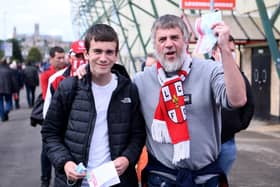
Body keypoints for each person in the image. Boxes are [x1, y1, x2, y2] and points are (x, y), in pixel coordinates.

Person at [133, 14, 247, 186]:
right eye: (162, 39)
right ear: (155, 45)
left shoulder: (209, 71)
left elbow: (238, 100)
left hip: (204, 179)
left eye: (174, 37)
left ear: (186, 41)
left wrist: (225, 50)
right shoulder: (140, 81)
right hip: (161, 177)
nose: (169, 43)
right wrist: (88, 72)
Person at [41, 24, 146, 187]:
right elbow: (50, 133)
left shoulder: (128, 90)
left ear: (116, 55)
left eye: (109, 52)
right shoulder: (69, 88)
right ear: (86, 54)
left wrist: (127, 158)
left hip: (117, 180)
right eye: (97, 51)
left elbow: (138, 134)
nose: (103, 58)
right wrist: (65, 163)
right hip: (77, 181)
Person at [211, 35, 255, 176]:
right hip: (204, 145)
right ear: (214, 53)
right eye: (225, 50)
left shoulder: (239, 76)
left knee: (220, 180)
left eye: (232, 50)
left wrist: (238, 124)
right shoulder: (204, 75)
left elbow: (249, 103)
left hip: (227, 143)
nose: (230, 53)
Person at [39, 46, 67, 187]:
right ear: (51, 59)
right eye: (58, 58)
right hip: (51, 117)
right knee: (47, 151)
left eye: (63, 57)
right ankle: (45, 179)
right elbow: (46, 97)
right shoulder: (46, 75)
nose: (62, 60)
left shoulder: (70, 72)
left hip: (65, 119)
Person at [42, 40, 87, 118]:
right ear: (70, 58)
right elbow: (48, 107)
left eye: (85, 55)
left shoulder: (99, 78)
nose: (82, 60)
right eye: (78, 56)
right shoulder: (56, 78)